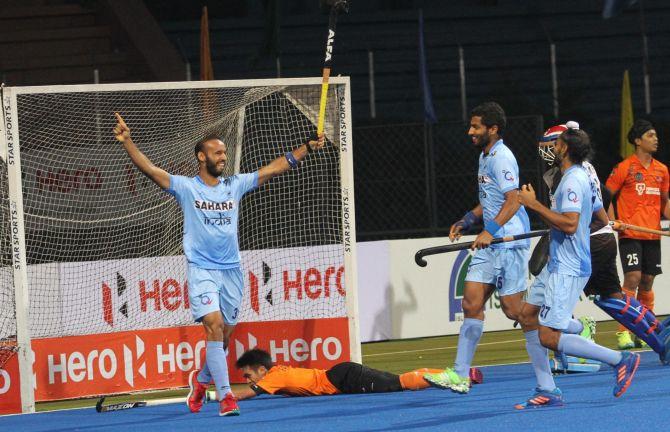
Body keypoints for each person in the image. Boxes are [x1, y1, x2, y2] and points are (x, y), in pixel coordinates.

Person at [113, 113, 324, 416]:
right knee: (213, 326)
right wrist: (128, 142)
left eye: (225, 152)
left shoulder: (234, 185)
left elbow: (272, 169)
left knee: (223, 337)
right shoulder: (186, 187)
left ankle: (200, 382)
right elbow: (150, 169)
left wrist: (305, 148)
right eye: (217, 152)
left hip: (232, 271)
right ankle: (226, 398)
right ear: (202, 157)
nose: (223, 157)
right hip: (201, 269)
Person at [423, 102, 555, 396]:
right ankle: (459, 374)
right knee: (471, 303)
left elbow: (513, 200)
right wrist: (467, 220)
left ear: (492, 129)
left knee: (515, 312)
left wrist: (488, 231)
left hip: (508, 241)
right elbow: (491, 199)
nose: (470, 131)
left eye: (476, 127)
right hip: (490, 241)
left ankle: (568, 327)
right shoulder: (485, 157)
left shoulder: (502, 158)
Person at [526, 122, 670, 368]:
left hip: (586, 242)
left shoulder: (567, 174)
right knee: (612, 296)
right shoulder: (580, 168)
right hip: (598, 237)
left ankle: (574, 346)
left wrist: (537, 209)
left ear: (566, 147)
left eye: (553, 145)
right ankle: (660, 339)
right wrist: (606, 221)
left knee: (583, 302)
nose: (547, 152)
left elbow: (569, 219)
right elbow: (600, 198)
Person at [518, 128, 640, 408]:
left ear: (566, 148)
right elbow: (596, 218)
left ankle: (620, 360)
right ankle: (547, 387)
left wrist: (534, 205)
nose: (550, 148)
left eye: (556, 143)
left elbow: (571, 224)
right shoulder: (574, 177)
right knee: (527, 315)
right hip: (560, 261)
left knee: (548, 335)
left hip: (569, 266)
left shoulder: (573, 180)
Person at [605, 119, 670, 350]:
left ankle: (646, 331)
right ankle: (624, 332)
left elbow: (664, 204)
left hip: (652, 234)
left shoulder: (662, 170)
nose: (656, 139)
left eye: (655, 135)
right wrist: (612, 220)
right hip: (630, 233)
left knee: (648, 281)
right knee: (632, 278)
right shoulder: (625, 167)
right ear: (637, 141)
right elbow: (606, 196)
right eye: (650, 135)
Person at [231, 348, 483, 399]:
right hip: (342, 375)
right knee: (399, 380)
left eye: (248, 374)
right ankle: (460, 373)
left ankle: (454, 376)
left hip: (343, 378)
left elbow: (245, 394)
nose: (247, 380)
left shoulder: (272, 378)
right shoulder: (276, 373)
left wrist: (218, 394)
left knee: (400, 383)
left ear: (262, 369)